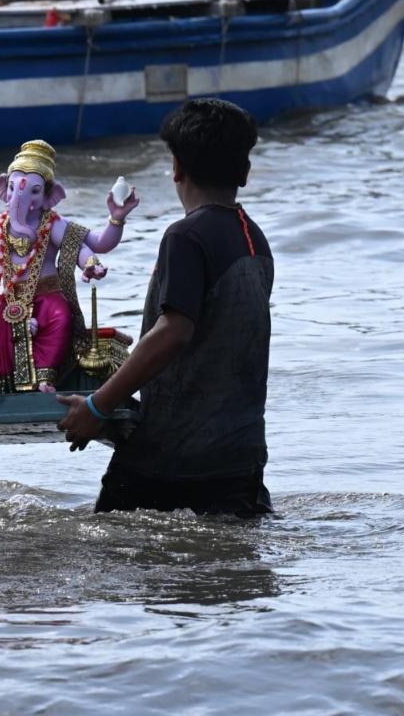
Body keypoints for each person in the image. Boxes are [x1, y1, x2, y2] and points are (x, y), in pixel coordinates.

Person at [57, 98, 275, 517]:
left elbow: (175, 332)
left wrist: (98, 405)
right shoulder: (254, 238)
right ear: (244, 172)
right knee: (226, 573)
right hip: (239, 458)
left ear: (176, 167)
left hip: (170, 456)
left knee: (113, 561)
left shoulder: (186, 237)